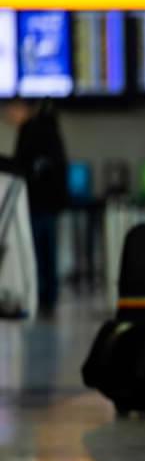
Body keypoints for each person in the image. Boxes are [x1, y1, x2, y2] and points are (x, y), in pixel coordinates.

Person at [6, 99, 68, 315]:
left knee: (39, 253)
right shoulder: (50, 129)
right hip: (48, 203)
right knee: (46, 253)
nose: (8, 115)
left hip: (37, 203)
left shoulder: (32, 132)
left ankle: (43, 297)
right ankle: (46, 298)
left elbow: (22, 165)